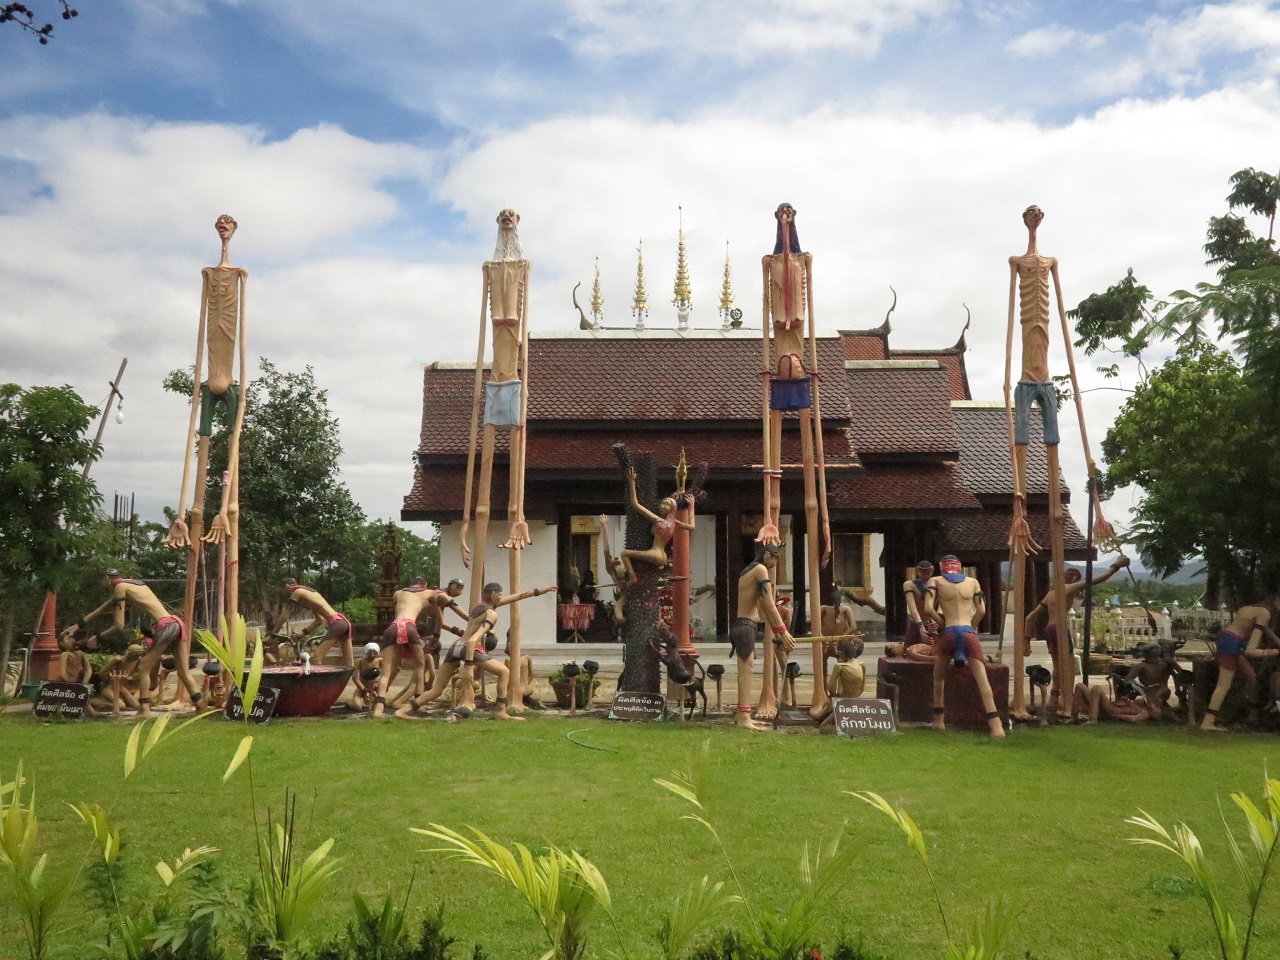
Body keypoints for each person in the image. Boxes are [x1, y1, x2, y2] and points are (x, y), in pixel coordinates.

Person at [396, 582, 554, 721]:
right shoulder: (491, 614)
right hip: (469, 648)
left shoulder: (479, 607)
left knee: (437, 689)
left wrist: (539, 591)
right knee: (504, 673)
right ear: (492, 594)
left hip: (456, 646)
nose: (502, 596)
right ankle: (500, 711)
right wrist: (469, 668)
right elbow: (473, 640)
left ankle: (403, 711)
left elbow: (514, 597)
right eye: (500, 594)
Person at [63, 570, 202, 719]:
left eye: (101, 581)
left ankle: (144, 710)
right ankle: (201, 707)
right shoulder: (132, 584)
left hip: (165, 626)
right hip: (176, 622)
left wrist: (98, 638)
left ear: (106, 579)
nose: (100, 585)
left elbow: (119, 625)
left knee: (143, 667)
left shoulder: (119, 588)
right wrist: (77, 625)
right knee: (183, 671)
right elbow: (103, 608)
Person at [1025, 557, 1130, 707]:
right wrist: (1117, 565)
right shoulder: (1068, 588)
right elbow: (1100, 579)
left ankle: (1054, 697)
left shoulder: (1050, 594)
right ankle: (1068, 701)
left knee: (1057, 666)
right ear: (1073, 579)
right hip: (1060, 629)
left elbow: (1029, 618)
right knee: (1069, 665)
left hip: (1049, 630)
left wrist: (1026, 641)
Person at [924, 555, 1004, 738]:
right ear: (959, 567)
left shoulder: (935, 581)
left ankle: (939, 720)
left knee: (938, 677)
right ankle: (996, 726)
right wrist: (972, 627)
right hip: (968, 632)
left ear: (941, 567)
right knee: (982, 680)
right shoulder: (973, 582)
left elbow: (928, 609)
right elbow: (982, 610)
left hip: (950, 632)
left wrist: (943, 625)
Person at [372, 578, 468, 718]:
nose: (461, 590)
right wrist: (474, 622)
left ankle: (378, 708)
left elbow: (400, 611)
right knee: (420, 665)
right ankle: (418, 702)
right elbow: (444, 616)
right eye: (459, 587)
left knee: (388, 670)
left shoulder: (398, 593)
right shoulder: (433, 594)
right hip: (410, 628)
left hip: (393, 627)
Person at [734, 543, 795, 730]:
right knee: (746, 671)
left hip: (742, 624)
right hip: (745, 626)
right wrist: (783, 630)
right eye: (775, 558)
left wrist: (778, 629)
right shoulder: (760, 569)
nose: (776, 563)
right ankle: (744, 718)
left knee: (744, 670)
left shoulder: (747, 572)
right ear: (767, 555)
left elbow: (762, 609)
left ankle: (741, 715)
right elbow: (769, 605)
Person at [1201, 596, 1280, 731]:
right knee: (1223, 685)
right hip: (1233, 644)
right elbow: (1251, 651)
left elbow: (1265, 631)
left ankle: (1252, 712)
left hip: (1227, 640)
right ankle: (1207, 722)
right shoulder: (1264, 613)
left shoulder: (1249, 609)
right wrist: (1274, 652)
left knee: (1251, 677)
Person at [273, 579, 353, 668]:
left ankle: (319, 681)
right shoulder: (311, 595)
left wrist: (272, 635)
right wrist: (303, 633)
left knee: (316, 659)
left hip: (337, 624)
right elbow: (320, 620)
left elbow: (284, 616)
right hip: (342, 623)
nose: (283, 593)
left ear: (287, 586)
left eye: (283, 589)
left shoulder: (297, 592)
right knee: (349, 663)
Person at [817, 639, 866, 732]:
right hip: (855, 701)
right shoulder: (862, 665)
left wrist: (835, 698)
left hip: (843, 703)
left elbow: (830, 687)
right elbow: (862, 689)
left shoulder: (839, 667)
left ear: (840, 653)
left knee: (823, 727)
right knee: (824, 712)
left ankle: (848, 730)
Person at [1071, 676, 1151, 724]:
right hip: (1111, 706)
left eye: (1156, 707)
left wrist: (1114, 716)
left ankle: (1093, 720)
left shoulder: (1144, 713)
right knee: (1080, 686)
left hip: (1111, 710)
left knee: (1096, 689)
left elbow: (1131, 719)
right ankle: (1074, 716)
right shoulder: (1138, 705)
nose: (1155, 705)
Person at [351, 642, 383, 711]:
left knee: (380, 705)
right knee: (358, 707)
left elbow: (387, 672)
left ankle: (368, 701)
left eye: (375, 653)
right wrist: (363, 689)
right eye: (369, 653)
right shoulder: (359, 661)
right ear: (366, 652)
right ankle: (351, 703)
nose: (372, 655)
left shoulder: (380, 660)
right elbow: (354, 677)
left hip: (375, 688)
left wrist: (380, 685)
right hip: (362, 688)